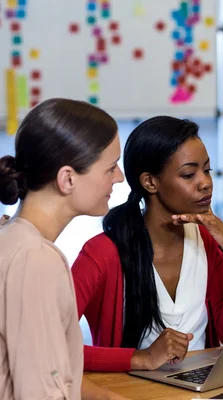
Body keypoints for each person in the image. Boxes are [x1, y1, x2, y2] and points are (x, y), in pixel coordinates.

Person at [71, 116, 223, 372]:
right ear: (150, 182)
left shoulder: (209, 243)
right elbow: (49, 348)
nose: (205, 182)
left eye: (207, 170)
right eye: (189, 174)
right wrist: (139, 359)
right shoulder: (102, 254)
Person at [0, 99, 126, 399]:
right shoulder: (35, 260)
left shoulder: (13, 238)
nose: (120, 177)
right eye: (110, 168)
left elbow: (55, 372)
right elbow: (40, 392)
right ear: (67, 178)